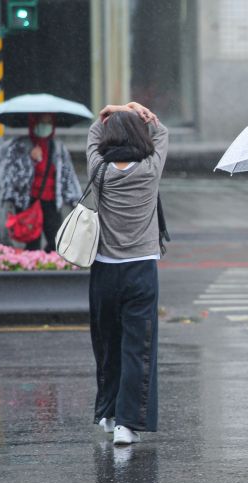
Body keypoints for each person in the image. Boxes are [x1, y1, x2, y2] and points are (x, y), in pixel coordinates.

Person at [87, 102, 168, 445]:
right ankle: (127, 424)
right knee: (139, 348)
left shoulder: (99, 171)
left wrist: (106, 114)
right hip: (141, 270)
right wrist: (143, 112)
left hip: (105, 271)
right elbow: (162, 133)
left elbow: (92, 138)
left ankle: (107, 412)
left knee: (108, 344)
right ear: (139, 135)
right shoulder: (150, 170)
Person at [0, 113, 82, 251]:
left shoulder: (58, 147)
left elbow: (67, 175)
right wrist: (30, 160)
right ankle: (32, 270)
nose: (46, 125)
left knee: (56, 242)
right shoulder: (19, 146)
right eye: (42, 122)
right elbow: (12, 179)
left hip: (51, 203)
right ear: (33, 123)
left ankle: (50, 269)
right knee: (31, 242)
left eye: (49, 122)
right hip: (28, 203)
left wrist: (74, 201)